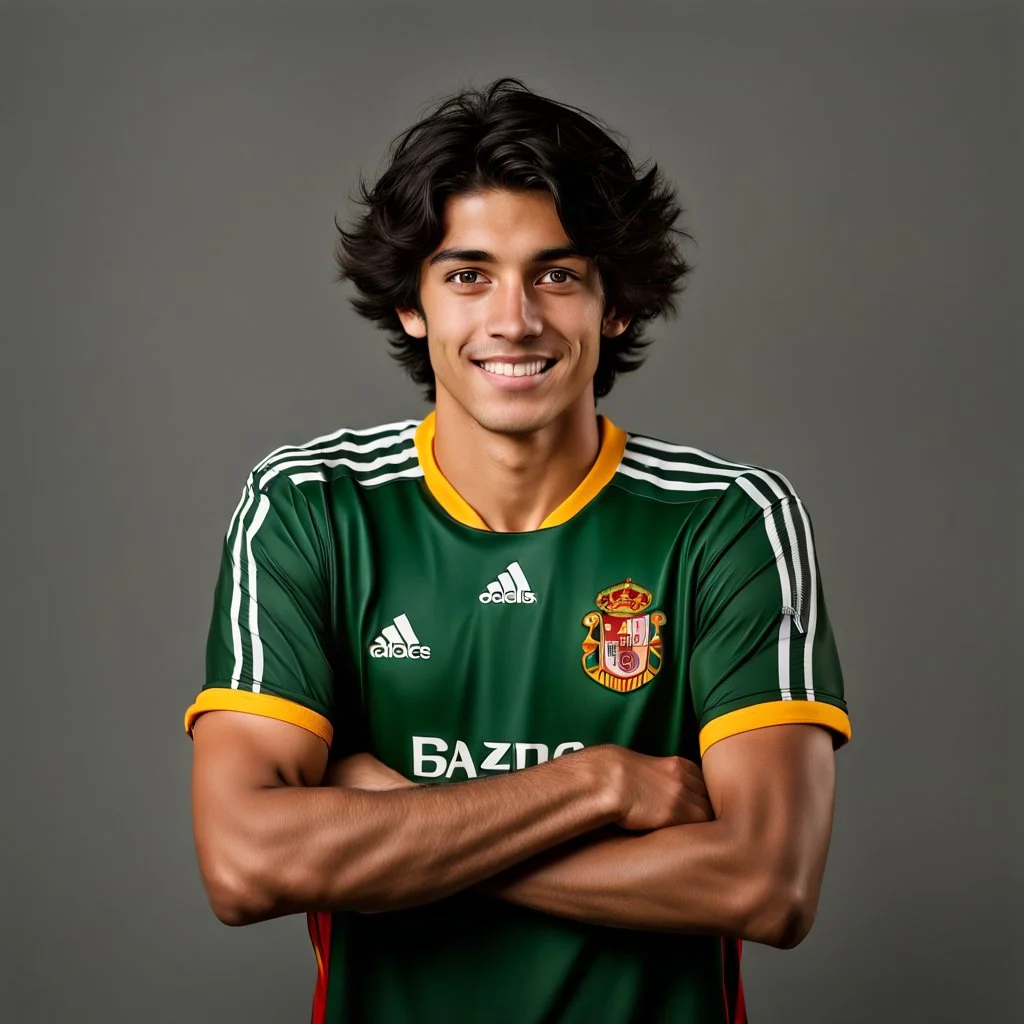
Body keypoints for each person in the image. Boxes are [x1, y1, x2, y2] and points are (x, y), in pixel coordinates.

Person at [185, 78, 851, 1024]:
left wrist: (396, 823)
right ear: (412, 305)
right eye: (467, 275)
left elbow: (765, 885)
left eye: (558, 273)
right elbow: (248, 864)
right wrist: (597, 783)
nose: (514, 319)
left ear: (613, 304)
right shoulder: (310, 505)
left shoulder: (728, 521)